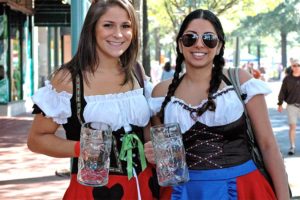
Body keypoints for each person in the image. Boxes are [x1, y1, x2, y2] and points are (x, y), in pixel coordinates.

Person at [145, 9, 290, 199]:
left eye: (208, 38)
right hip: (183, 193)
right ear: (180, 45)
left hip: (243, 189)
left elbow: (268, 145)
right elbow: (163, 156)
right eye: (190, 38)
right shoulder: (161, 93)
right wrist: (154, 155)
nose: (199, 44)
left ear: (219, 45)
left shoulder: (240, 81)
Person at [27, 1, 163, 199]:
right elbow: (36, 140)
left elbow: (146, 131)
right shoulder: (68, 79)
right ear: (92, 28)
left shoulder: (136, 72)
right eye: (108, 25)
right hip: (94, 191)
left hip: (146, 187)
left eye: (126, 26)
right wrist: (81, 148)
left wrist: (154, 148)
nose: (118, 34)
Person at [278, 58, 300, 156]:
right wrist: (280, 103)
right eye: (294, 66)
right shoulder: (287, 79)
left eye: (298, 65)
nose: (296, 67)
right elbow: (282, 91)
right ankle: (292, 146)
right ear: (291, 67)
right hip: (292, 106)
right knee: (292, 126)